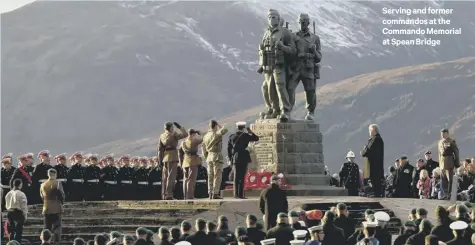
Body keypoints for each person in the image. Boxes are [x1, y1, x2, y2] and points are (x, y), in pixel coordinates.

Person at [257, 9, 296, 121]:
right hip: (267, 66)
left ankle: (285, 111)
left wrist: (283, 47)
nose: (271, 19)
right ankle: (275, 110)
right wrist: (261, 64)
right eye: (269, 17)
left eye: (273, 17)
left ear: (278, 19)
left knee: (280, 87)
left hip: (279, 65)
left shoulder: (285, 32)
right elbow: (263, 49)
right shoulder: (266, 33)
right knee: (269, 89)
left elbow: (293, 50)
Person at [287, 13, 322, 120]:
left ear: (308, 23)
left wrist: (314, 50)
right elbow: (289, 52)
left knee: (310, 91)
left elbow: (319, 58)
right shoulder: (293, 36)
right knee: (289, 88)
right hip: (296, 68)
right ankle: (287, 110)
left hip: (308, 68)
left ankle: (310, 112)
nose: (301, 24)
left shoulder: (315, 38)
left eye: (303, 22)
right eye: (299, 22)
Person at [228, 121, 259, 199]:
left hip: (235, 157)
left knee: (236, 177)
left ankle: (235, 194)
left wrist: (230, 159)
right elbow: (256, 138)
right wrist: (250, 132)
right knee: (242, 177)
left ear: (237, 127)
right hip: (244, 157)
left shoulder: (232, 136)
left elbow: (229, 149)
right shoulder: (246, 136)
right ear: (243, 127)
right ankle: (241, 194)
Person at [158, 121, 188, 200]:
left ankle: (164, 194)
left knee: (165, 177)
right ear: (170, 128)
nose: (173, 128)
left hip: (165, 157)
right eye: (172, 127)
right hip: (172, 156)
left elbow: (160, 149)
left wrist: (160, 160)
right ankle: (169, 194)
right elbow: (185, 135)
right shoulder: (173, 134)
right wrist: (180, 127)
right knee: (171, 177)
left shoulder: (162, 136)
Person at [202, 120, 228, 199]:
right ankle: (215, 193)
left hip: (209, 156)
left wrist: (206, 157)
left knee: (210, 175)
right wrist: (218, 125)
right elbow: (225, 129)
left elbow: (203, 149)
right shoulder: (216, 134)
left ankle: (210, 192)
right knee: (217, 176)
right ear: (215, 126)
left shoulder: (205, 136)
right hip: (217, 156)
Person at [40, 168, 65, 243]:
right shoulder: (58, 183)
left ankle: (45, 241)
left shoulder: (42, 185)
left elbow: (42, 196)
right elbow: (62, 195)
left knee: (47, 227)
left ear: (48, 175)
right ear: (56, 174)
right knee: (57, 226)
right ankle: (56, 242)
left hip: (46, 208)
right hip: (57, 207)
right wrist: (61, 203)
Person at [360, 124, 385, 197]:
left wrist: (363, 152)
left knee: (375, 179)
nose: (369, 132)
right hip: (375, 164)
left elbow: (368, 150)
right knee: (374, 179)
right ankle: (375, 193)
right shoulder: (376, 139)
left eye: (370, 130)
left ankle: (376, 194)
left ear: (373, 130)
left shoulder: (376, 139)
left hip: (375, 164)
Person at [180, 129, 203, 200]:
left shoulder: (183, 142)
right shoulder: (194, 141)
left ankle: (185, 196)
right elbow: (202, 139)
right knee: (191, 179)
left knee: (185, 179)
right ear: (193, 134)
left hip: (185, 162)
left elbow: (180, 152)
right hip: (192, 161)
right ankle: (190, 196)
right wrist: (200, 134)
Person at [438, 128, 460, 200]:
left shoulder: (451, 141)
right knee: (443, 180)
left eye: (444, 134)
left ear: (447, 133)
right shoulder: (440, 142)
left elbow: (456, 152)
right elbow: (440, 154)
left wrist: (457, 164)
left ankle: (450, 194)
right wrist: (440, 164)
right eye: (442, 134)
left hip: (449, 162)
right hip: (442, 164)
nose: (443, 135)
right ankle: (445, 194)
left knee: (450, 180)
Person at [5, 178, 28, 243]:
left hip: (10, 212)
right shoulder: (21, 194)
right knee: (18, 231)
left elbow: (6, 204)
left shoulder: (8, 194)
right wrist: (25, 215)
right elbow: (23, 206)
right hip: (18, 213)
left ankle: (11, 243)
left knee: (11, 230)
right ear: (20, 185)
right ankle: (17, 243)